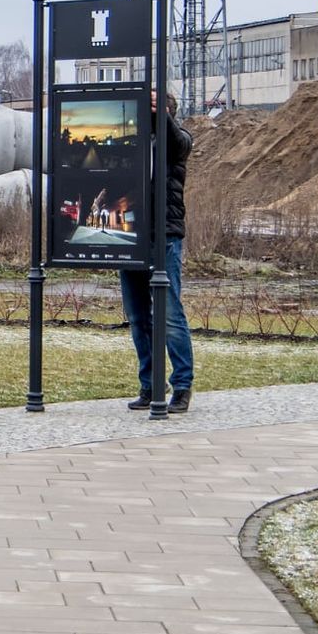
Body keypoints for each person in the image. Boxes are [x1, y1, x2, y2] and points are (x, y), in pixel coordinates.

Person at [122, 90, 193, 412]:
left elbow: (175, 140)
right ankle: (150, 385)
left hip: (164, 235)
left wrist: (160, 114)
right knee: (138, 316)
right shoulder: (132, 143)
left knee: (170, 313)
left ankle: (181, 386)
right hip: (132, 236)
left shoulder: (178, 141)